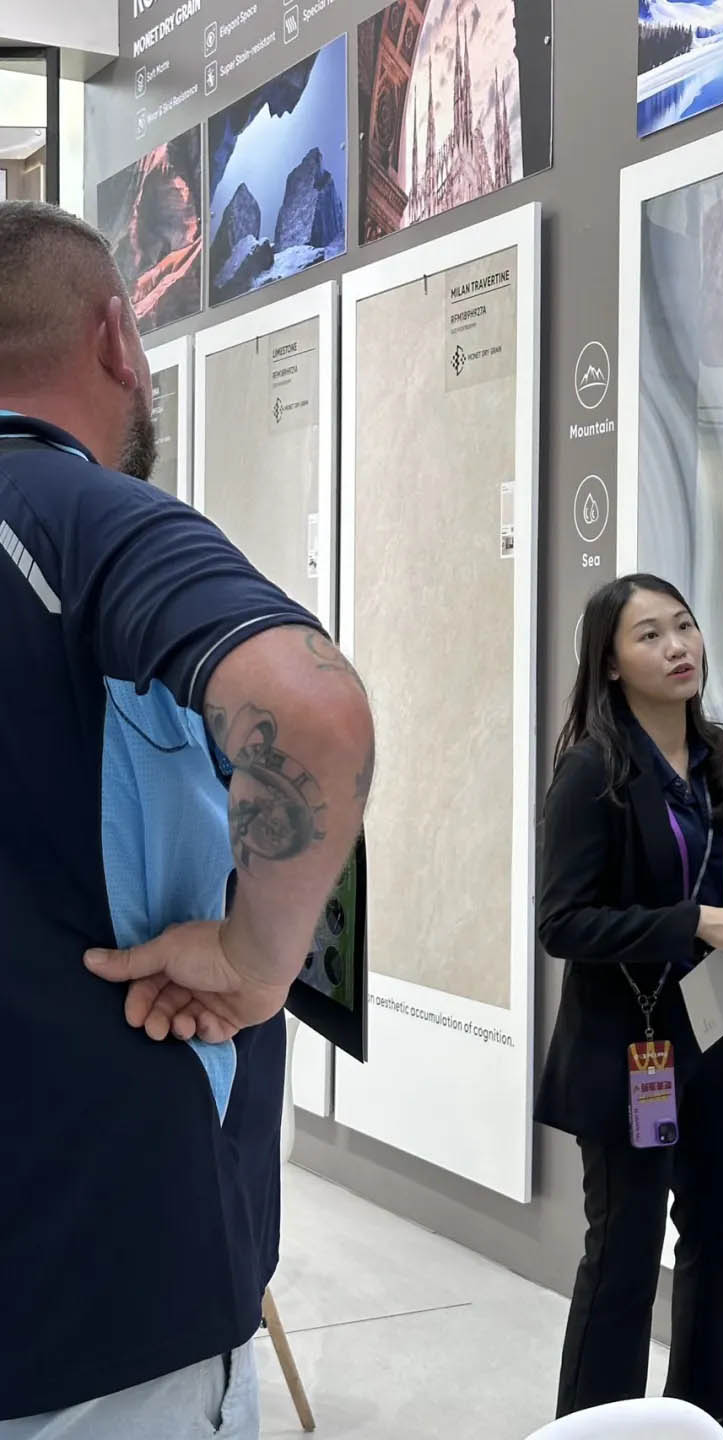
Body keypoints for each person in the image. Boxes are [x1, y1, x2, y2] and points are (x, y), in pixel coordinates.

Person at [0, 201, 374, 1437]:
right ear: (117, 338)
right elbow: (311, 710)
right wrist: (257, 961)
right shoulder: (82, 520)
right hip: (99, 1299)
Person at [536, 574, 723, 1436]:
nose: (678, 647)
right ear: (609, 663)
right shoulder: (592, 770)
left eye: (684, 626)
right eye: (649, 636)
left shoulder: (717, 757)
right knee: (625, 1258)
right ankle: (595, 1431)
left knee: (719, 1242)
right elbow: (562, 923)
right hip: (632, 1047)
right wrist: (691, 921)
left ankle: (709, 1423)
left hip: (720, 1033)